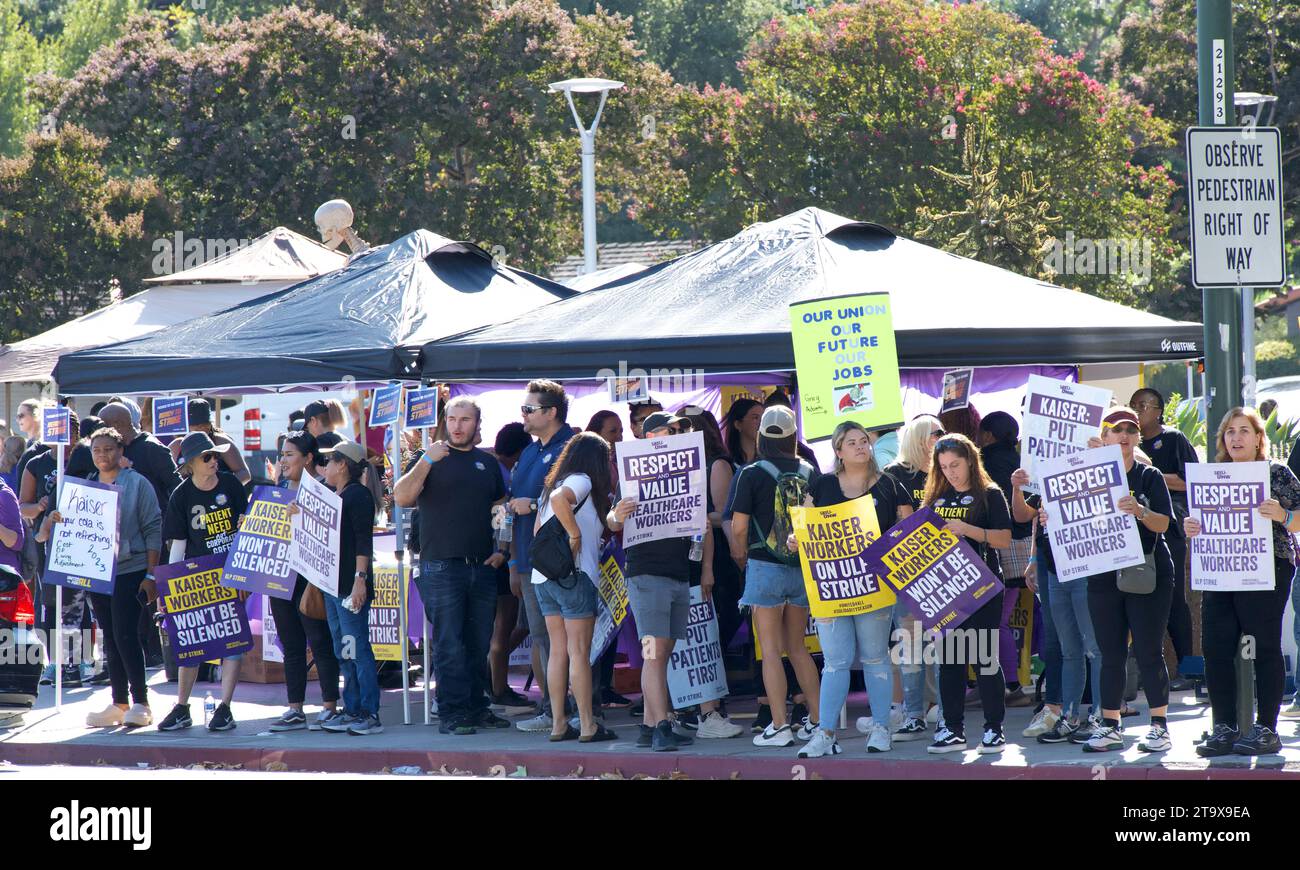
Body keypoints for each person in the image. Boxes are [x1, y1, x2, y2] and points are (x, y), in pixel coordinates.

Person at [797, 421, 913, 757]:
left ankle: (880, 729)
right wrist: (796, 539)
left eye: (865, 441)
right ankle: (826, 733)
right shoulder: (821, 485)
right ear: (838, 451)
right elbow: (805, 527)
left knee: (875, 657)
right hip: (832, 588)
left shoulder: (890, 485)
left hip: (874, 587)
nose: (861, 447)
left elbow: (908, 528)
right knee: (835, 662)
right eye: (852, 442)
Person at [1189, 408, 1300, 756]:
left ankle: (1267, 728)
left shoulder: (1277, 474)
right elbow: (1199, 522)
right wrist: (1192, 528)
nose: (1236, 438)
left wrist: (1282, 515)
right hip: (1221, 570)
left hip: (1268, 569)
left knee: (1265, 646)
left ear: (1258, 438)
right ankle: (1223, 727)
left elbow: (1298, 520)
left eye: (1244, 431)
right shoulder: (1211, 476)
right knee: (1216, 649)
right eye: (1229, 432)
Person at [394, 397, 507, 736]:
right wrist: (427, 459)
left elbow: (500, 508)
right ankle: (453, 712)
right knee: (449, 643)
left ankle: (475, 706)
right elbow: (401, 497)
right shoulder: (427, 458)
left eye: (465, 419)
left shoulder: (487, 463)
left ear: (477, 424)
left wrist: (503, 547)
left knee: (478, 642)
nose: (458, 425)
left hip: (483, 566)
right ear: (445, 421)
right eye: (453, 418)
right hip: (440, 567)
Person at [1070, 407, 1175, 753]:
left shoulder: (1149, 476)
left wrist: (1140, 511)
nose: (1124, 435)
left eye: (1130, 429)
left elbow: (1164, 524)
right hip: (1103, 572)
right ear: (1104, 437)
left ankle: (1159, 726)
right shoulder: (1087, 478)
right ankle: (1110, 724)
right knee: (1110, 653)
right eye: (1116, 429)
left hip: (1147, 571)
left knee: (1148, 650)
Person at [609, 411, 713, 750]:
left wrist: (702, 531)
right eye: (673, 430)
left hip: (678, 574)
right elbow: (611, 520)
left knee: (662, 653)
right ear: (653, 436)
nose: (679, 434)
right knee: (654, 652)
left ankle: (648, 724)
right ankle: (661, 725)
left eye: (682, 430)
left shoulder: (688, 473)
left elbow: (699, 520)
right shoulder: (632, 474)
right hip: (646, 574)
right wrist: (617, 515)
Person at [44, 427, 161, 728]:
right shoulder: (83, 490)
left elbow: (153, 530)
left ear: (121, 452)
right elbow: (60, 533)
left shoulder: (137, 484)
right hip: (96, 573)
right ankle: (119, 702)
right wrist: (57, 519)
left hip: (130, 570)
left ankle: (142, 702)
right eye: (97, 450)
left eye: (109, 449)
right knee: (109, 637)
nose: (103, 455)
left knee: (126, 634)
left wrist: (150, 574)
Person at [729, 405, 822, 747]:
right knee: (798, 649)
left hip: (763, 566)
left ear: (763, 435)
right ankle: (816, 720)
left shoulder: (751, 473)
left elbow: (738, 526)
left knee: (770, 651)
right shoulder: (810, 471)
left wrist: (741, 556)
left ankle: (780, 726)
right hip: (801, 568)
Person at [922, 432, 1012, 754]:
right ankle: (953, 728)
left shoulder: (989, 494)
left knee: (984, 658)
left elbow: (1004, 538)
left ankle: (994, 728)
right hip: (946, 589)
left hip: (984, 586)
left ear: (970, 461)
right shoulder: (937, 498)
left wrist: (967, 530)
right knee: (950, 661)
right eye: (944, 467)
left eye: (955, 465)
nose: (951, 472)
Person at [155, 433, 250, 732]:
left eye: (216, 456)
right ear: (191, 463)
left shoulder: (232, 485)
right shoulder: (181, 495)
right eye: (207, 457)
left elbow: (248, 526)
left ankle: (225, 708)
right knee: (192, 641)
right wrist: (167, 587)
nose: (214, 461)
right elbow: (178, 546)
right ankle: (182, 707)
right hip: (196, 577)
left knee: (232, 641)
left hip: (231, 572)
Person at [531, 432, 618, 742]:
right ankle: (587, 724)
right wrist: (576, 536)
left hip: (544, 578)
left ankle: (558, 723)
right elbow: (561, 501)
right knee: (579, 652)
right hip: (575, 575)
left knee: (558, 651)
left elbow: (538, 529)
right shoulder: (581, 480)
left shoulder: (552, 484)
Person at [508, 380, 577, 733]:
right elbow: (513, 506)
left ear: (551, 413)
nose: (523, 414)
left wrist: (533, 504)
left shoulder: (573, 447)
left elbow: (582, 498)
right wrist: (511, 562)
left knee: (575, 639)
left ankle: (579, 709)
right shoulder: (531, 452)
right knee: (542, 637)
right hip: (527, 561)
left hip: (563, 561)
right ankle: (552, 708)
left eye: (529, 409)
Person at [265, 431, 343, 732]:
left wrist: (305, 516)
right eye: (282, 455)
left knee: (320, 641)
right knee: (291, 644)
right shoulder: (278, 490)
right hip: (280, 575)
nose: (283, 461)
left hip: (311, 579)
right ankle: (295, 708)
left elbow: (333, 533)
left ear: (308, 458)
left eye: (290, 455)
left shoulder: (325, 491)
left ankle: (329, 706)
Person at [305, 439, 380, 735]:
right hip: (333, 586)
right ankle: (351, 709)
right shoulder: (336, 495)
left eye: (330, 461)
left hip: (349, 586)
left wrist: (360, 581)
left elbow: (364, 541)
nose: (325, 466)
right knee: (343, 649)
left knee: (357, 648)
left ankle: (369, 713)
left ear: (343, 464)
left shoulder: (357, 496)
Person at [1010, 466, 1085, 744]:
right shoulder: (1041, 463)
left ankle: (1105, 712)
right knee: (1055, 637)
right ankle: (1054, 708)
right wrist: (1033, 558)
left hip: (1086, 552)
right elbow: (1027, 515)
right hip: (1048, 556)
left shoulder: (1095, 452)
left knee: (1091, 641)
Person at [1130, 387, 1197, 690]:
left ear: (1158, 411)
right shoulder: (1123, 444)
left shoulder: (1172, 439)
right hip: (1135, 534)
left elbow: (1191, 478)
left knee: (1175, 600)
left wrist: (1151, 470)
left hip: (1170, 525)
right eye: (1134, 405)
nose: (1138, 409)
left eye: (1143, 405)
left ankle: (1189, 667)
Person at [884, 415, 944, 729]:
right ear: (920, 437)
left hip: (941, 568)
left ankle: (935, 705)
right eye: (937, 433)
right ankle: (911, 710)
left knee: (939, 642)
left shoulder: (947, 471)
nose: (942, 438)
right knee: (909, 641)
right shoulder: (894, 475)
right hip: (905, 570)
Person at [978, 411, 1035, 706]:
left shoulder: (985, 462)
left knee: (995, 620)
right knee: (999, 618)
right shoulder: (1018, 460)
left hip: (1004, 547)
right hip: (1028, 545)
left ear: (988, 435)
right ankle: (1001, 682)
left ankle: (1010, 685)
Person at [584, 410, 633, 710]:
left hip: (617, 551)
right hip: (595, 550)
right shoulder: (587, 470)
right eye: (613, 431)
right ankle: (592, 690)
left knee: (613, 617)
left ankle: (606, 685)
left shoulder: (619, 463)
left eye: (620, 431)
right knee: (594, 622)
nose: (619, 437)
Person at [486, 421, 533, 709]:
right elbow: (504, 519)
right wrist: (507, 554)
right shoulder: (505, 478)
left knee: (498, 628)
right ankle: (499, 688)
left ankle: (494, 684)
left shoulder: (494, 469)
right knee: (504, 627)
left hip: (490, 556)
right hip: (502, 557)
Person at [168, 399, 251, 486]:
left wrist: (220, 488)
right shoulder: (176, 446)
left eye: (205, 422)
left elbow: (244, 474)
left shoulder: (221, 442)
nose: (202, 426)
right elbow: (167, 476)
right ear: (186, 424)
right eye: (196, 424)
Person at [721, 398, 762, 467]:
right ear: (738, 424)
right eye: (755, 418)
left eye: (764, 417)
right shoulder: (725, 464)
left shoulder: (768, 460)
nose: (761, 422)